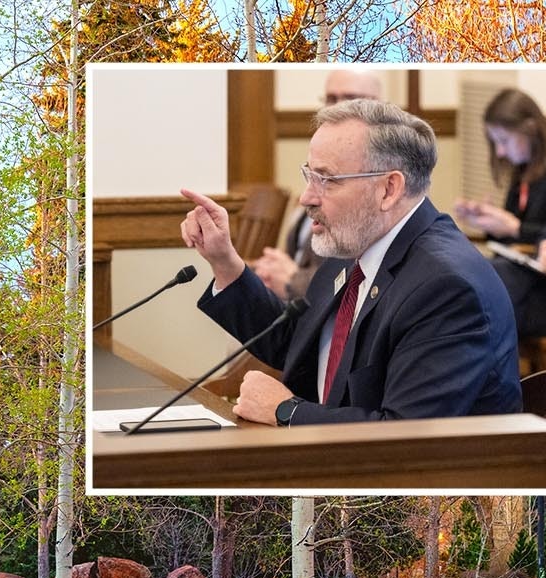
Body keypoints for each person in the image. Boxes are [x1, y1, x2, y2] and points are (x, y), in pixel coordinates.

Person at [180, 99, 521, 427]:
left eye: (327, 180)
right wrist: (225, 262)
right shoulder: (355, 244)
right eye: (309, 176)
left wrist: (287, 412)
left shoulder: (446, 288)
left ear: (389, 189)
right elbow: (298, 346)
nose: (306, 198)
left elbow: (406, 434)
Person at [252, 69, 385, 302]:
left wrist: (294, 280)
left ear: (380, 106)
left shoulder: (381, 188)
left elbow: (364, 281)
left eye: (351, 99)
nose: (338, 108)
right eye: (331, 99)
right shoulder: (314, 173)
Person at [454, 88, 546, 341]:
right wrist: (489, 223)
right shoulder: (522, 172)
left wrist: (515, 228)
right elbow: (514, 242)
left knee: (485, 286)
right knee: (472, 272)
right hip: (523, 275)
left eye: (503, 141)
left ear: (529, 128)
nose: (500, 153)